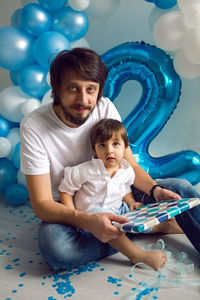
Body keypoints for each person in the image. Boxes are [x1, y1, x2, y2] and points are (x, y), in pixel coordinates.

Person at [20, 47, 200, 272]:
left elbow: (131, 166)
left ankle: (124, 230)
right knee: (58, 250)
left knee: (180, 188)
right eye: (73, 88)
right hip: (72, 208)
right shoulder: (34, 125)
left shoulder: (104, 108)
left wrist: (154, 191)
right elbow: (42, 204)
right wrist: (86, 220)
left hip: (116, 191)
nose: (83, 99)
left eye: (91, 89)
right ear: (56, 88)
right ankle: (147, 229)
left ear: (99, 90)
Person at [59, 118, 167, 270]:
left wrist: (131, 203)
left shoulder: (126, 170)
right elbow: (65, 190)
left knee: (140, 215)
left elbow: (123, 189)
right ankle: (137, 255)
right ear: (95, 150)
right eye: (102, 145)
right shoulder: (85, 170)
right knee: (105, 218)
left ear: (125, 148)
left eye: (115, 144)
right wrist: (72, 215)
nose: (109, 150)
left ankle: (169, 227)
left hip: (117, 210)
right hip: (92, 216)